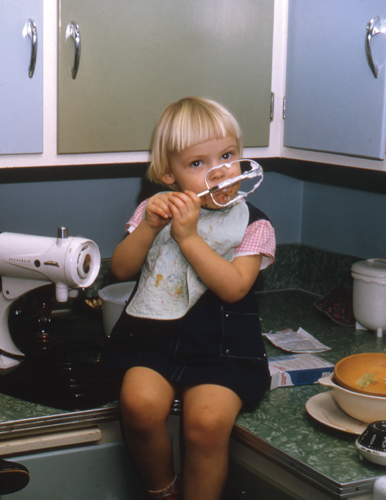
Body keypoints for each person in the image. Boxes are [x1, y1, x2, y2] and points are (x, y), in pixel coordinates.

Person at [105, 97, 276, 500]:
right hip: (153, 341)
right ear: (168, 174)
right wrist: (149, 226)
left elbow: (234, 287)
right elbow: (122, 270)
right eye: (198, 163)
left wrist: (188, 237)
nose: (219, 172)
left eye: (228, 155)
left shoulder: (255, 223)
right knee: (139, 404)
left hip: (224, 347)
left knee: (207, 423)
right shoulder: (154, 211)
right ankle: (164, 490)